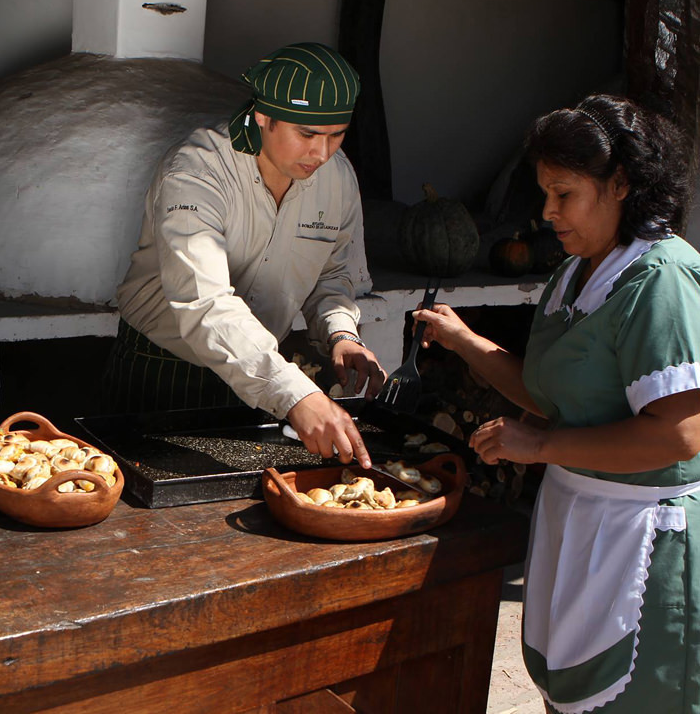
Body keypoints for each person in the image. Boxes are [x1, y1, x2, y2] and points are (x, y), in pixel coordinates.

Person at [415, 94, 700, 713]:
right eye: (544, 193)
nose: (547, 212)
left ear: (621, 184)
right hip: (576, 520)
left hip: (638, 540)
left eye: (563, 194)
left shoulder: (663, 280)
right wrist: (464, 342)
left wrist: (541, 445)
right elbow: (549, 390)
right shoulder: (575, 272)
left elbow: (679, 435)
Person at [102, 42, 386, 467]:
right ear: (263, 117)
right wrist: (295, 393)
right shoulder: (197, 171)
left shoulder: (338, 179)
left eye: (336, 135)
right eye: (306, 134)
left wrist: (340, 333)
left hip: (261, 375)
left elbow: (334, 276)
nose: (322, 154)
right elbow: (205, 303)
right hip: (163, 368)